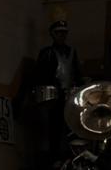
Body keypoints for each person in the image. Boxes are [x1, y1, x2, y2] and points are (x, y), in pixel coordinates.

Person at [35, 20, 84, 158]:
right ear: (52, 34)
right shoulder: (47, 52)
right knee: (53, 127)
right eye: (59, 33)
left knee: (71, 127)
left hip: (69, 95)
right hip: (53, 97)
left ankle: (69, 156)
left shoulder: (72, 52)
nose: (62, 35)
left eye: (64, 32)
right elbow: (39, 75)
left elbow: (78, 74)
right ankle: (53, 156)